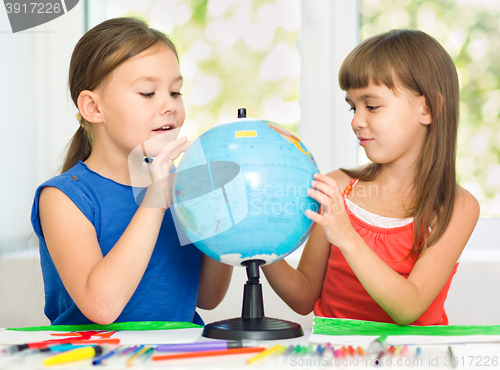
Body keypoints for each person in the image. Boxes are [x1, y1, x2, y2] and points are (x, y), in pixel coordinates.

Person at [262, 29, 479, 326]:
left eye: (372, 106)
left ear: (427, 108)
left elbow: (409, 307)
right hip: (336, 357)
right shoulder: (338, 187)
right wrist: (259, 243)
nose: (356, 120)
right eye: (353, 107)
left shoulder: (457, 206)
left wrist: (347, 237)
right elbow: (303, 297)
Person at [31, 17, 233, 325]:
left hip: (176, 354)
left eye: (176, 92)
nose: (169, 106)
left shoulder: (180, 186)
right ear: (93, 108)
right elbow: (102, 307)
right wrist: (156, 200)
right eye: (148, 93)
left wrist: (221, 217)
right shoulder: (63, 198)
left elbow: (207, 295)